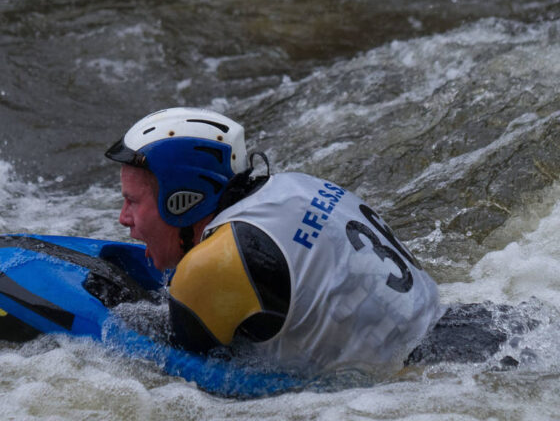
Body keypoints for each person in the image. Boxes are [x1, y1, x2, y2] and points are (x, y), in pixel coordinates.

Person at [106, 107, 444, 377]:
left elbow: (185, 376)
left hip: (428, 380)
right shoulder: (295, 185)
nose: (123, 218)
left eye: (132, 201)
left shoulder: (212, 265)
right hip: (459, 331)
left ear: (181, 199)